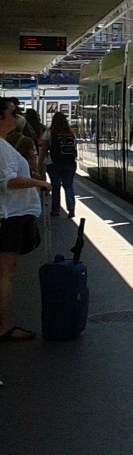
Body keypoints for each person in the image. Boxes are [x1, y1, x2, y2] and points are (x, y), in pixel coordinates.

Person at [0, 97, 52, 341]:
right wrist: (39, 182)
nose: (16, 116)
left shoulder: (4, 144)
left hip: (11, 214)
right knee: (5, 274)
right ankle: (4, 326)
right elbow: (8, 181)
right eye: (12, 112)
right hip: (8, 216)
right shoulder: (0, 147)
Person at [44, 111, 79, 218]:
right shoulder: (70, 132)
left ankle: (55, 210)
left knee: (56, 186)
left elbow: (44, 149)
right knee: (68, 186)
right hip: (70, 163)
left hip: (54, 163)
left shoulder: (50, 132)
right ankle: (71, 208)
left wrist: (40, 162)